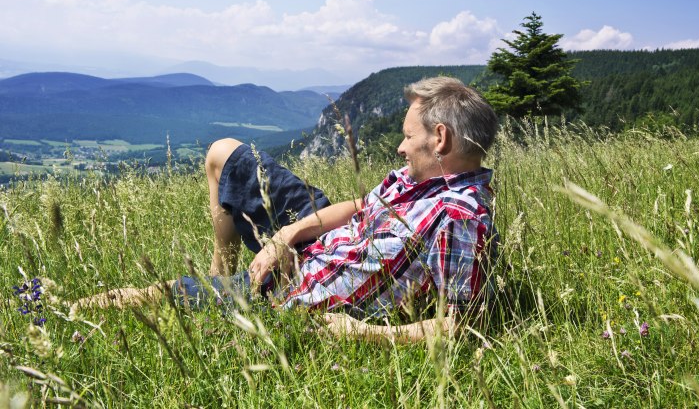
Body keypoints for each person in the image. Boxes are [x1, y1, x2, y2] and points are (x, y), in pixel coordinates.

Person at [74, 76, 500, 343]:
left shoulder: (457, 219)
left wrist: (366, 333)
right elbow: (358, 207)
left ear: (439, 138)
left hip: (297, 286)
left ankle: (220, 289)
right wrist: (286, 235)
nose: (400, 146)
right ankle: (221, 270)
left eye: (408, 137)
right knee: (223, 154)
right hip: (320, 241)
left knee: (155, 296)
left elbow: (459, 326)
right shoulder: (422, 178)